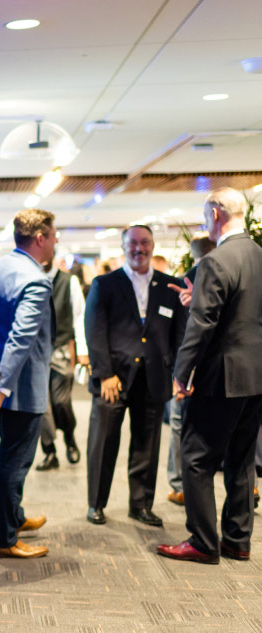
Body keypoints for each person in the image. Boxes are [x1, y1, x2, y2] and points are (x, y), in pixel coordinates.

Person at [159, 188, 262, 564]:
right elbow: (241, 312)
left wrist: (181, 373)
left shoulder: (216, 260)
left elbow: (202, 325)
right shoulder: (258, 255)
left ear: (216, 214)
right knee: (242, 458)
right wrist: (197, 299)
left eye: (205, 217)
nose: (206, 224)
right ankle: (237, 540)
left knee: (195, 456)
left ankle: (203, 541)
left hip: (222, 376)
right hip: (256, 376)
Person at [84, 225, 188, 526]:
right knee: (103, 444)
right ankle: (96, 504)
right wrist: (104, 374)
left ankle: (140, 505)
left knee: (147, 445)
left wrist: (178, 374)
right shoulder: (105, 284)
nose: (138, 249)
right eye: (132, 243)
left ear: (153, 245)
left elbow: (179, 335)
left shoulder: (170, 286)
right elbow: (94, 331)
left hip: (153, 377)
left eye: (144, 242)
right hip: (113, 380)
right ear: (123, 246)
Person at [0, 209, 57, 558]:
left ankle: (14, 518)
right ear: (40, 238)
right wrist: (2, 389)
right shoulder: (35, 279)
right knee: (14, 462)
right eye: (53, 235)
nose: (55, 241)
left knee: (10, 452)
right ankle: (2, 540)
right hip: (17, 386)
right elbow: (20, 338)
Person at [164, 233, 216, 505]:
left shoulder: (181, 284)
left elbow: (178, 335)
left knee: (179, 427)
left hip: (186, 369)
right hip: (219, 368)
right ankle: (249, 486)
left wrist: (179, 374)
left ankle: (178, 485)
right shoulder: (226, 280)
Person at [35, 259, 87, 470]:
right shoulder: (28, 278)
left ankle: (69, 436)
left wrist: (83, 350)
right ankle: (49, 451)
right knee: (40, 406)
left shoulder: (68, 281)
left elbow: (79, 316)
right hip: (35, 351)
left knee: (60, 401)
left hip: (61, 350)